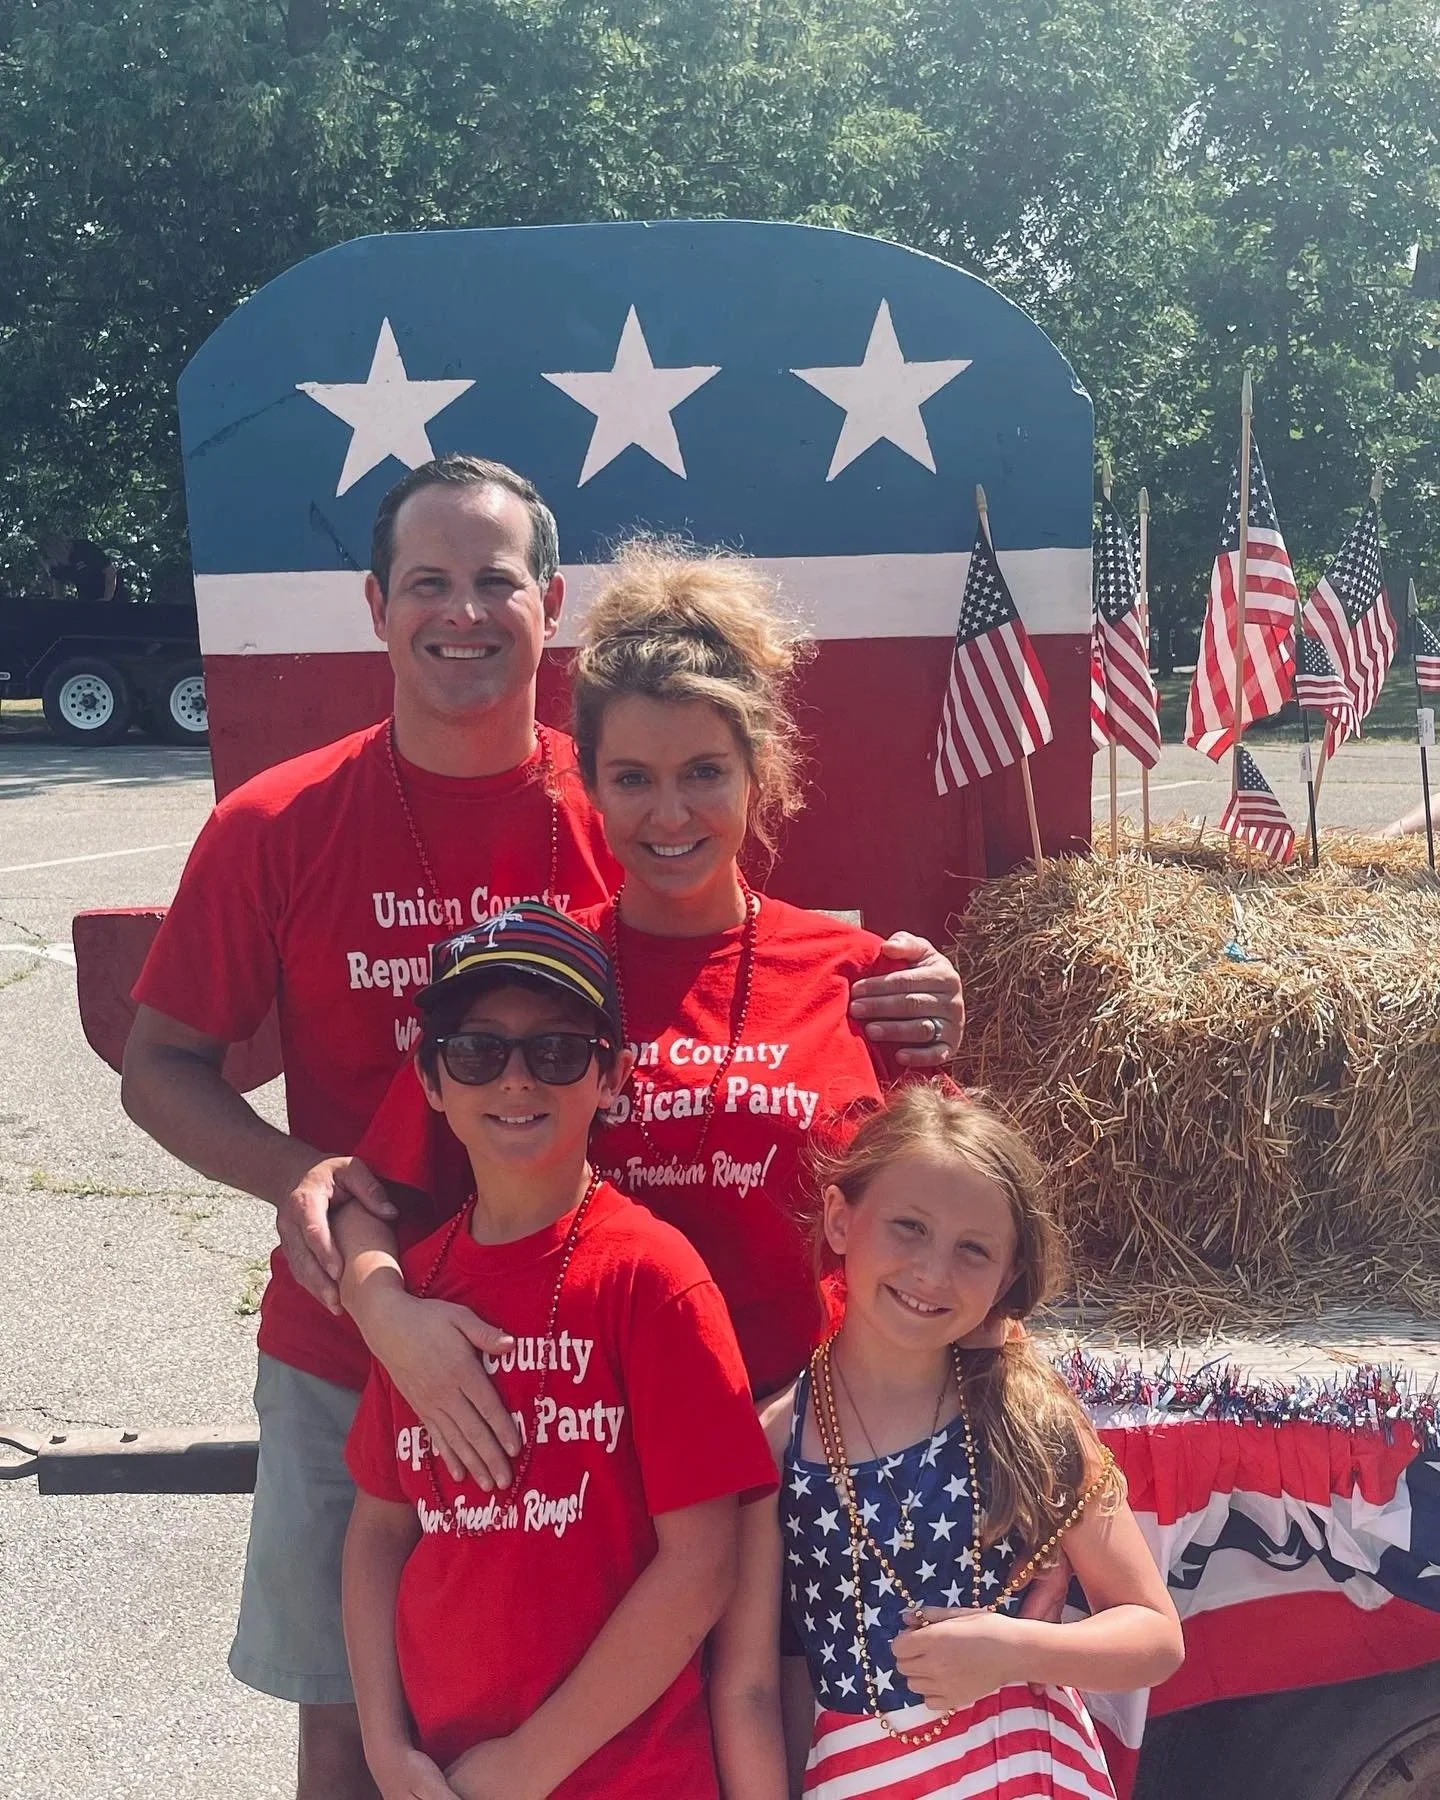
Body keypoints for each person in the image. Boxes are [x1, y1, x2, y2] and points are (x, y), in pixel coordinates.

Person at [118, 456, 964, 1799]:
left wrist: (910, 996)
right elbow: (160, 1069)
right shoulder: (275, 823)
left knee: (678, 1716)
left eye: (494, 579)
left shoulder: (628, 786)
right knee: (363, 1716)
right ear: (377, 605)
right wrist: (367, 1277)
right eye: (429, 582)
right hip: (370, 1337)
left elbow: (756, 995)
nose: (464, 611)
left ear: (547, 601)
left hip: (648, 1379)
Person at [345, 542, 900, 1410]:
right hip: (589, 1447)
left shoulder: (859, 978)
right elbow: (375, 1193)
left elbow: (953, 1209)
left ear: (759, 773)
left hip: (812, 1439)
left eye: (705, 773)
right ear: (591, 788)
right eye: (634, 778)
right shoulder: (533, 975)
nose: (670, 814)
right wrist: (384, 1310)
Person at [343, 901, 776, 1799]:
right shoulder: (413, 1298)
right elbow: (379, 1534)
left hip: (626, 1775)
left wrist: (527, 1768)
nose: (515, 1081)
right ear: (430, 1079)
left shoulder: (653, 1278)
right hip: (445, 1771)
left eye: (555, 1051)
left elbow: (701, 1567)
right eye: (476, 1052)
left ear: (611, 1074)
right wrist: (386, 1746)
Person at [708, 1084, 1184, 1799]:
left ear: (1008, 1276)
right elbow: (746, 1687)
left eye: (973, 1250)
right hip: (865, 1776)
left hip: (1033, 1770)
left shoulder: (1026, 1412)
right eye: (908, 1227)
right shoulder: (777, 1443)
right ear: (840, 1219)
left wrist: (1014, 1650)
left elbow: (1155, 1635)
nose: (933, 1272)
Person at [41, 532, 130, 602]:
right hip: (87, 597)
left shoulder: (84, 548)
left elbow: (110, 571)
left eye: (58, 555)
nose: (58, 563)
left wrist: (107, 598)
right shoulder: (55, 566)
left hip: (113, 592)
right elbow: (58, 589)